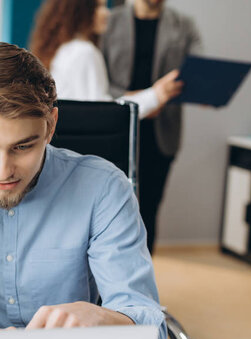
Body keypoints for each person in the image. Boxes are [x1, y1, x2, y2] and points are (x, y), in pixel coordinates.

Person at [0, 42, 167, 339]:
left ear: (50, 126)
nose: (3, 171)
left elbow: (152, 332)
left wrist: (105, 318)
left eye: (23, 147)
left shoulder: (104, 188)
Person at [101, 0, 202, 252]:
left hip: (161, 133)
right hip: (118, 126)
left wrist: (205, 90)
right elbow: (99, 81)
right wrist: (144, 97)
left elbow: (198, 72)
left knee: (149, 208)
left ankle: (143, 282)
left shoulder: (184, 25)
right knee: (110, 208)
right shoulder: (109, 21)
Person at [29, 0, 182, 119]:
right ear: (81, 12)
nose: (107, 13)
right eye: (99, 6)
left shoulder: (65, 49)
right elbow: (104, 114)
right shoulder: (84, 52)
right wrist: (156, 95)